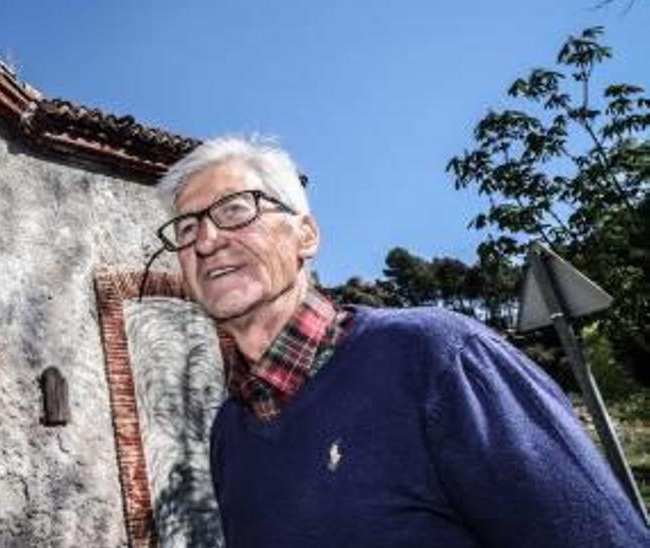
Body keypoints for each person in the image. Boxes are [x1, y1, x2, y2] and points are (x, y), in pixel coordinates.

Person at [154, 135, 650, 547]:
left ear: (305, 235)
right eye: (187, 227)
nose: (206, 240)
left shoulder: (438, 358)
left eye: (236, 209)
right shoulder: (229, 437)